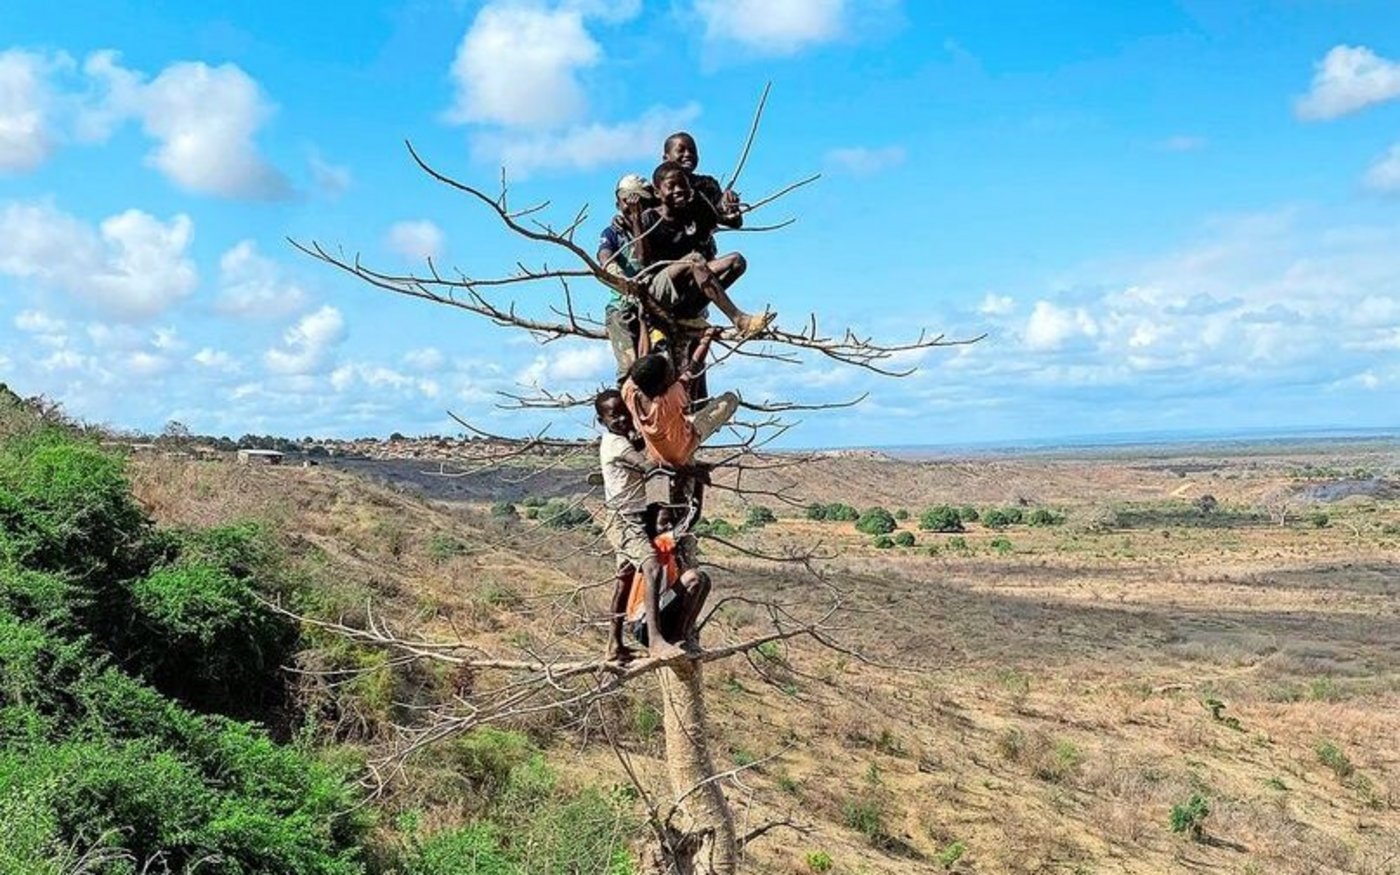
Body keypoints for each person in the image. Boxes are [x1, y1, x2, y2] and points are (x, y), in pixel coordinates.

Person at [630, 161, 775, 341]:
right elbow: (643, 261)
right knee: (694, 259)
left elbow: (729, 220)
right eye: (671, 186)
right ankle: (739, 319)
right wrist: (636, 222)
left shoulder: (694, 209)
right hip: (658, 289)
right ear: (658, 192)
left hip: (687, 286)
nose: (678, 190)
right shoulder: (649, 217)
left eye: (683, 185)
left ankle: (688, 313)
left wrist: (730, 206)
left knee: (736, 261)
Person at [594, 389, 687, 663]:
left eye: (625, 412)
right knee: (652, 565)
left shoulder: (620, 440)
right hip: (625, 519)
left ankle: (614, 644)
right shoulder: (617, 445)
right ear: (602, 420)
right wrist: (688, 468)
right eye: (614, 415)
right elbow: (650, 468)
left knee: (624, 579)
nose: (622, 419)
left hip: (631, 515)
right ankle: (656, 641)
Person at [621, 326, 739, 469]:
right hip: (683, 450)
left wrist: (643, 324)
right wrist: (706, 339)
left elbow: (642, 356)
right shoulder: (669, 399)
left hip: (658, 454)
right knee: (730, 400)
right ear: (661, 384)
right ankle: (689, 457)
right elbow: (693, 368)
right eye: (669, 372)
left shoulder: (629, 392)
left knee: (680, 422)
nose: (672, 372)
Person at [622, 502, 710, 651]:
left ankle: (686, 635)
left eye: (671, 522)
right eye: (663, 522)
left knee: (704, 580)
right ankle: (679, 638)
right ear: (652, 526)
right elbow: (686, 524)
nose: (669, 526)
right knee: (694, 578)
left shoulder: (671, 555)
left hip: (662, 615)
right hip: (644, 624)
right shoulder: (655, 545)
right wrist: (696, 498)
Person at [597, 174, 653, 382]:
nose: (633, 207)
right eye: (627, 202)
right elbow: (604, 257)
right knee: (629, 367)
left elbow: (644, 258)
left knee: (656, 364)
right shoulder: (612, 233)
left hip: (653, 304)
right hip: (621, 305)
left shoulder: (655, 227)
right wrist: (616, 274)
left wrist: (638, 222)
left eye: (639, 202)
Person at [662, 131, 743, 254]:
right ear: (666, 159)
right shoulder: (659, 188)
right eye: (681, 150)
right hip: (669, 255)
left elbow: (734, 222)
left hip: (703, 254)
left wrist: (731, 207)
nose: (688, 154)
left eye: (692, 151)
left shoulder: (707, 184)